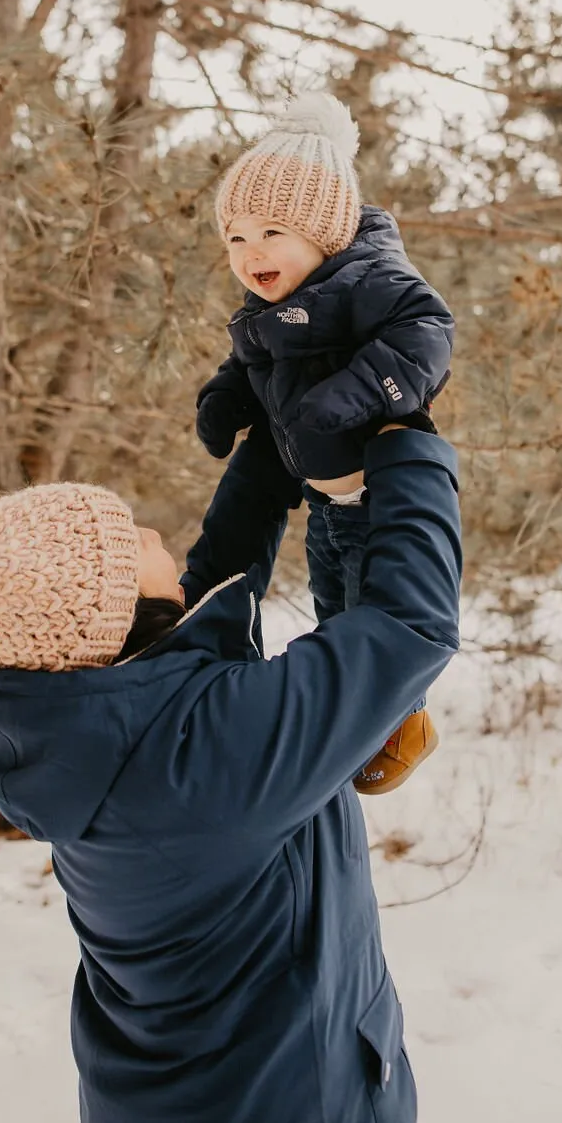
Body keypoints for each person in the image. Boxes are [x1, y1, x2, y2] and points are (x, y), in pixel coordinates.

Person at [0, 420, 462, 1123]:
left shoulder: (85, 731)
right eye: (131, 540)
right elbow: (410, 628)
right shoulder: (202, 766)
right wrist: (403, 441)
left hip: (187, 1115)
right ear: (115, 618)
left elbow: (206, 601)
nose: (155, 532)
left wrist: (270, 440)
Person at [197, 91, 455, 792]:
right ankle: (360, 727)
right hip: (325, 500)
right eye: (236, 239)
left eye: (273, 232)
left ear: (327, 231)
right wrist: (225, 399)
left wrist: (355, 395)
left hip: (379, 495)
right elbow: (249, 364)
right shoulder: (266, 309)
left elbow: (426, 337)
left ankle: (406, 725)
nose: (252, 254)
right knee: (334, 611)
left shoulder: (370, 280)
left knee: (378, 615)